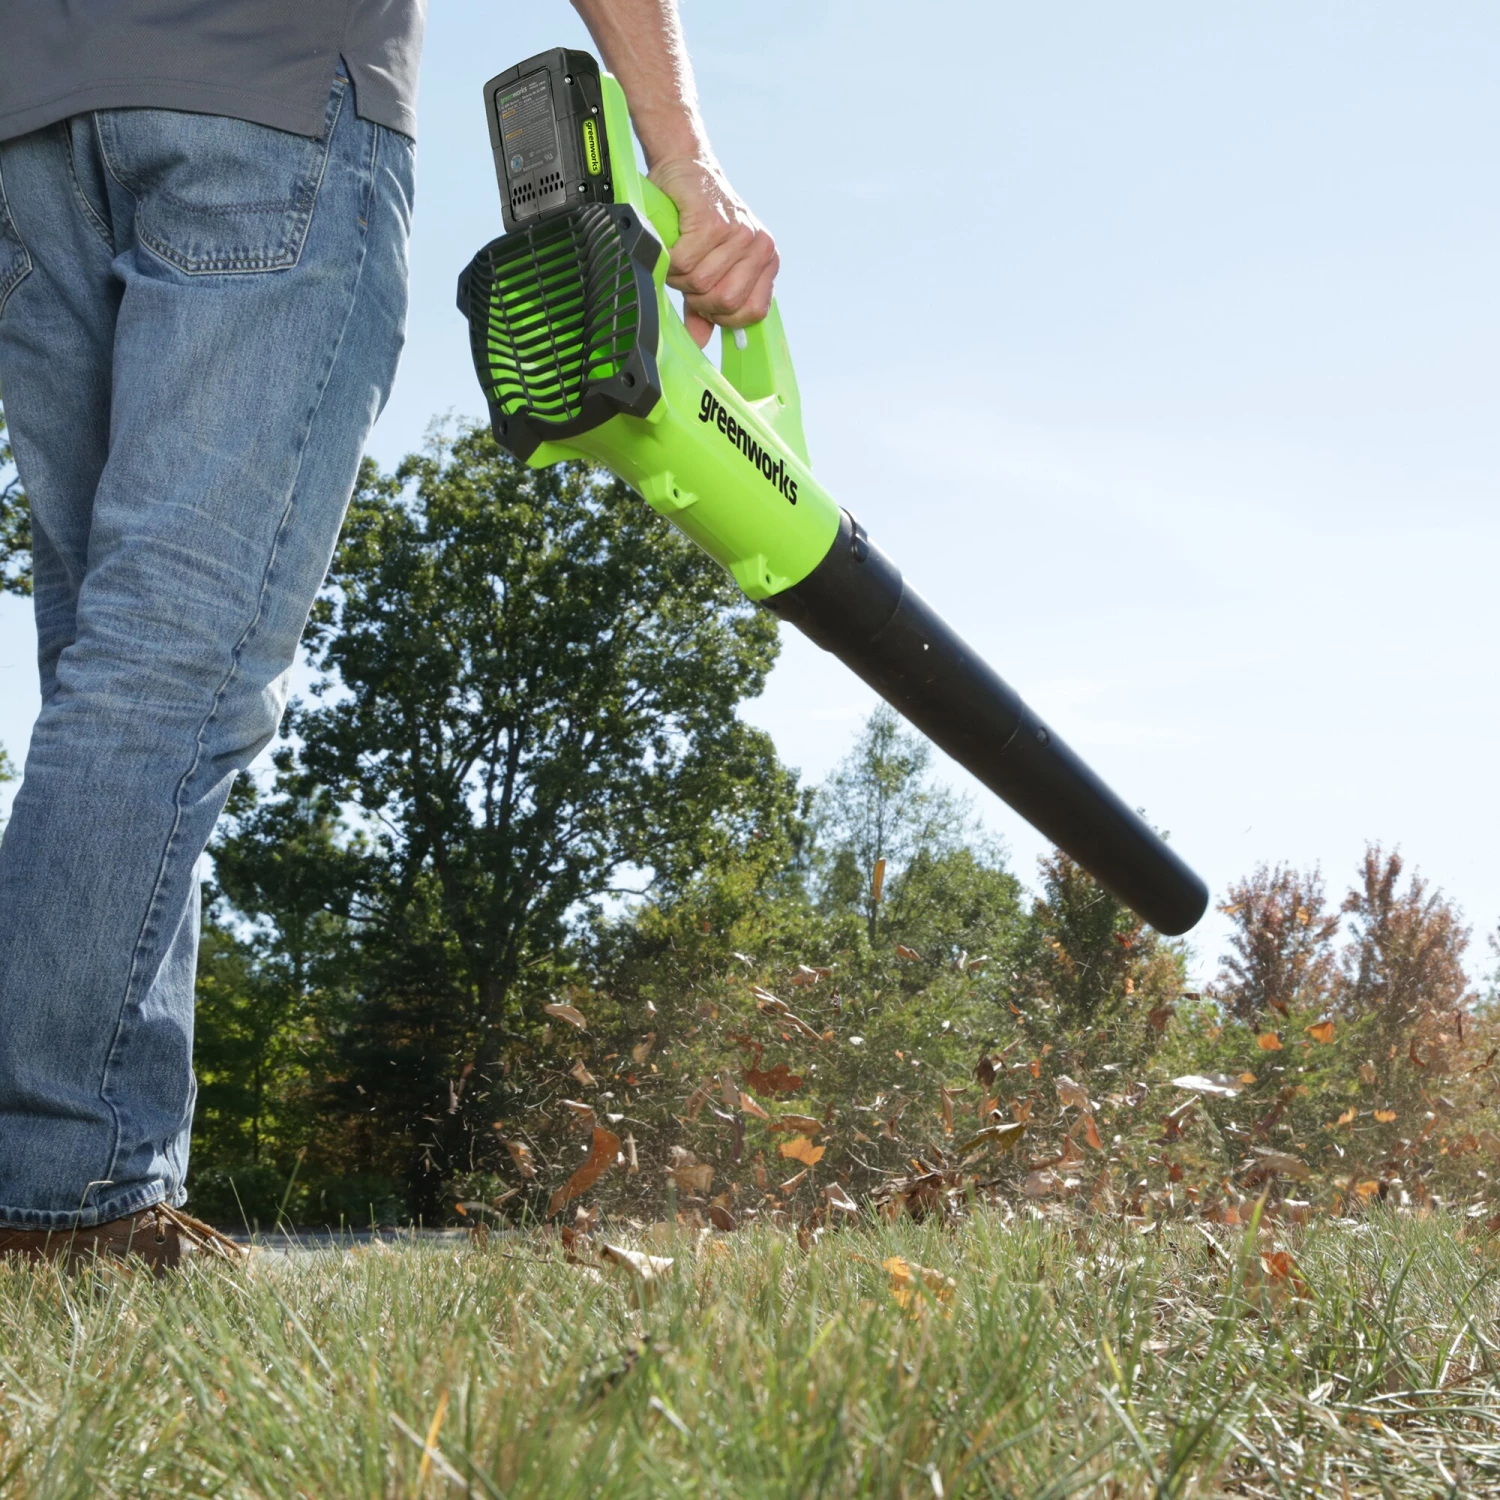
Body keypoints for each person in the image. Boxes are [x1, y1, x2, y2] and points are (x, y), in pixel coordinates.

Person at [0, 0, 777, 1268]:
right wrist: (683, 158)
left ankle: (101, 1181)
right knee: (170, 668)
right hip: (263, 92)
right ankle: (52, 1197)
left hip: (29, 132)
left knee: (106, 670)